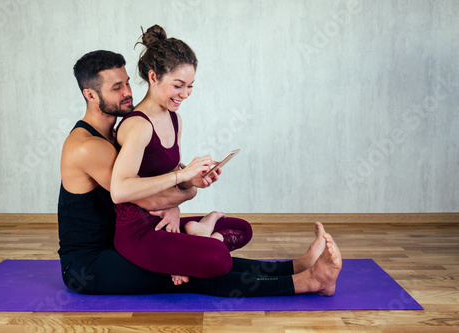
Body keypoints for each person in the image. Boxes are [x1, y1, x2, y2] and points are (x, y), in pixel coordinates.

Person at [57, 47, 342, 297]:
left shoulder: (115, 134)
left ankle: (297, 266)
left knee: (235, 230)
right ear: (90, 94)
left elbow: (154, 190)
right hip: (89, 262)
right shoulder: (88, 147)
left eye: (128, 83)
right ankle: (309, 282)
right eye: (117, 87)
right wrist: (182, 186)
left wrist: (177, 205)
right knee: (195, 275)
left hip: (133, 234)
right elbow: (145, 199)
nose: (129, 92)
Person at [110, 25, 253, 280]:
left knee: (241, 228)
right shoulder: (138, 126)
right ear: (153, 77)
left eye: (190, 86)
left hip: (166, 219)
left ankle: (202, 236)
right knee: (218, 259)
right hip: (137, 231)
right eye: (178, 85)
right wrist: (181, 176)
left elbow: (168, 176)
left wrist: (192, 179)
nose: (185, 94)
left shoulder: (175, 119)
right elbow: (120, 190)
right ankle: (202, 241)